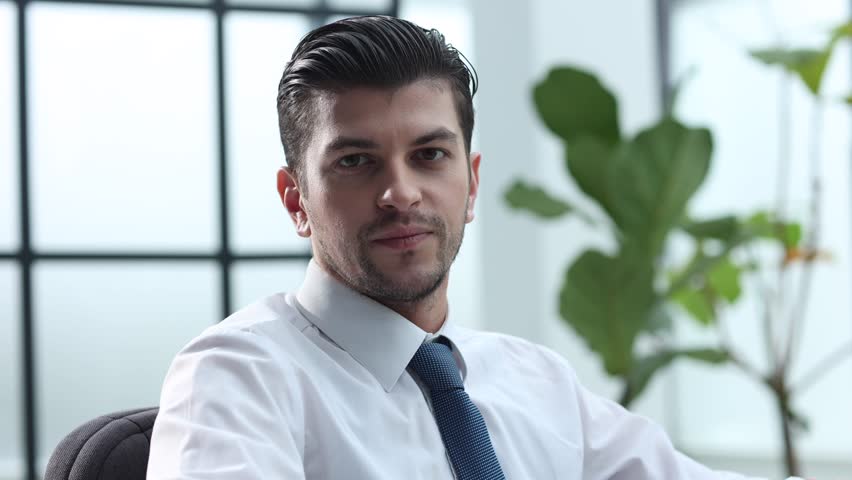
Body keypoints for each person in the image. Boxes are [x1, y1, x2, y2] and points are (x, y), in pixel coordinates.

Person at [146, 15, 803, 480]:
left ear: (472, 182)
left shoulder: (536, 382)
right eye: (355, 162)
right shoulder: (238, 378)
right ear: (296, 201)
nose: (400, 193)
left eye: (429, 155)